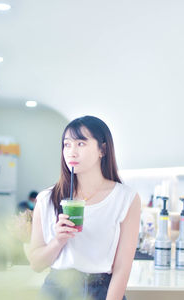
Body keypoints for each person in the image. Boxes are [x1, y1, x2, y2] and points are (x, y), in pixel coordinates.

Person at [29, 116, 141, 300]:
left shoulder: (125, 198)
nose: (71, 152)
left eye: (81, 144)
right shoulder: (46, 199)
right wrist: (59, 240)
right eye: (67, 145)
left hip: (101, 291)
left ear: (102, 149)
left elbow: (122, 268)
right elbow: (36, 264)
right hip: (56, 290)